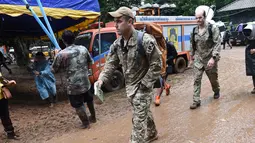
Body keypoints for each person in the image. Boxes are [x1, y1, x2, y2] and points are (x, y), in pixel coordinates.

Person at [95, 7, 162, 143]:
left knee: (137, 124)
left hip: (143, 88)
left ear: (130, 21)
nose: (115, 25)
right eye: (115, 21)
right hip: (130, 88)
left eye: (119, 21)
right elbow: (111, 64)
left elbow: (157, 65)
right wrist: (101, 80)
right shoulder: (117, 44)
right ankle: (153, 133)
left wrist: (144, 85)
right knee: (144, 113)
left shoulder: (145, 40)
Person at [52, 30, 96, 129]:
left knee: (78, 105)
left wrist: (55, 55)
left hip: (73, 85)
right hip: (85, 81)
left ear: (63, 41)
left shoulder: (61, 54)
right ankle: (93, 117)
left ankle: (86, 123)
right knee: (89, 100)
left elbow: (53, 70)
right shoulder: (83, 49)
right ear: (74, 38)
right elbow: (90, 62)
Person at [189, 7, 221, 109]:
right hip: (199, 58)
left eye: (200, 18)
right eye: (196, 18)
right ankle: (196, 100)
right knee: (196, 79)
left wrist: (213, 58)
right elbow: (192, 45)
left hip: (210, 58)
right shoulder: (194, 30)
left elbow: (217, 43)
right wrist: (191, 58)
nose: (198, 20)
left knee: (213, 79)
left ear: (205, 17)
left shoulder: (212, 28)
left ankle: (216, 90)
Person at [154, 41, 177, 106]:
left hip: (168, 65)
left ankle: (157, 98)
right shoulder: (157, 46)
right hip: (161, 66)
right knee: (162, 80)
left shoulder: (170, 45)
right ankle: (167, 86)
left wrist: (166, 60)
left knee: (161, 81)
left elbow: (175, 54)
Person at [0, 73, 19, 139]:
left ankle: (10, 133)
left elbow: (1, 79)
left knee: (5, 116)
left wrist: (7, 83)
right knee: (5, 115)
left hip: (1, 97)